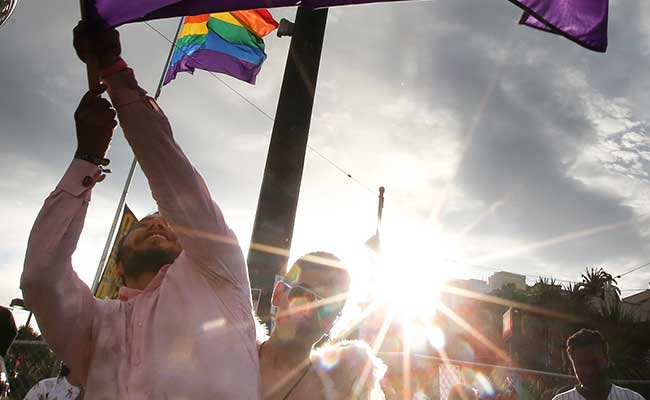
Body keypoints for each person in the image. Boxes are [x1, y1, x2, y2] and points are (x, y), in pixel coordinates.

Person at [21, 25, 259, 399]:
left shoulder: (220, 276)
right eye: (145, 223)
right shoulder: (95, 325)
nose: (159, 223)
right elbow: (40, 276)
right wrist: (87, 158)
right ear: (118, 265)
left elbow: (175, 180)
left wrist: (115, 74)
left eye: (167, 221)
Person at [258, 252, 386, 400]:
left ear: (332, 323)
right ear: (278, 294)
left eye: (328, 307)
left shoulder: (335, 394)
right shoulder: (231, 355)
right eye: (302, 294)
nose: (311, 310)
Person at [552, 329, 645, 400]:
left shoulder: (632, 398)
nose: (588, 371)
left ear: (607, 360)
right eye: (580, 364)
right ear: (573, 366)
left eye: (594, 363)